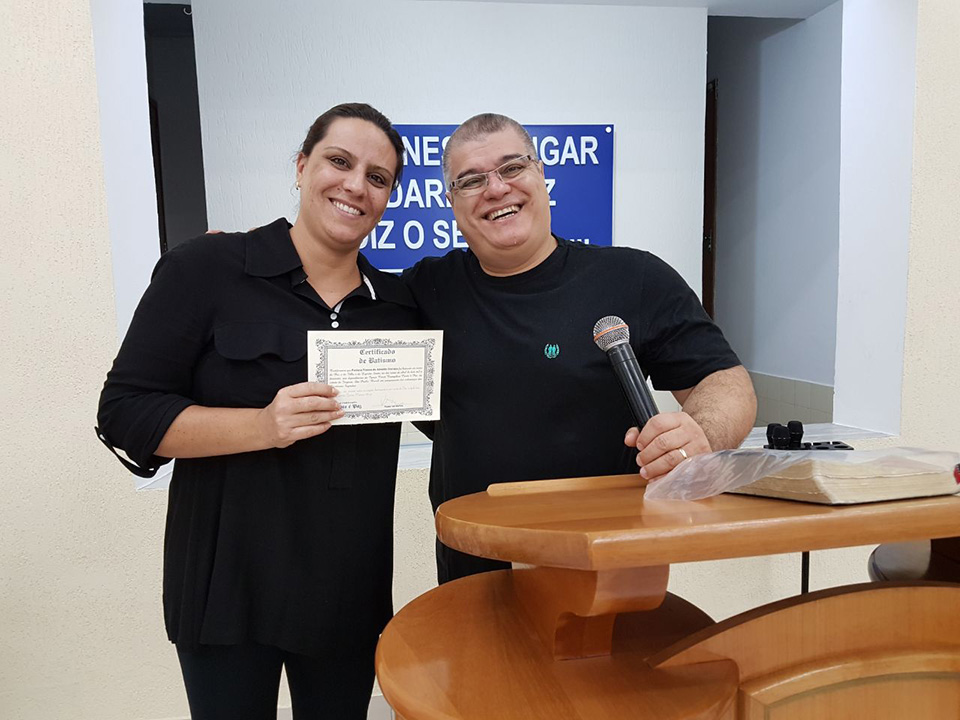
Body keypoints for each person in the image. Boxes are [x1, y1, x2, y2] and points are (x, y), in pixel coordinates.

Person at [96, 103, 417, 720]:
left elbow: (463, 408)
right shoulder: (207, 269)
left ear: (388, 197)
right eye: (339, 161)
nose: (356, 185)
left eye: (377, 177)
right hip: (226, 589)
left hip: (345, 594)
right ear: (301, 166)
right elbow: (125, 411)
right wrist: (261, 426)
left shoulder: (400, 307)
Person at [402, 113, 757, 584]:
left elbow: (726, 382)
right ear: (451, 201)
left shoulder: (634, 278)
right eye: (471, 180)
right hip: (474, 570)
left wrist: (701, 437)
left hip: (612, 570)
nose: (496, 188)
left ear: (541, 173)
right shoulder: (424, 291)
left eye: (512, 168)